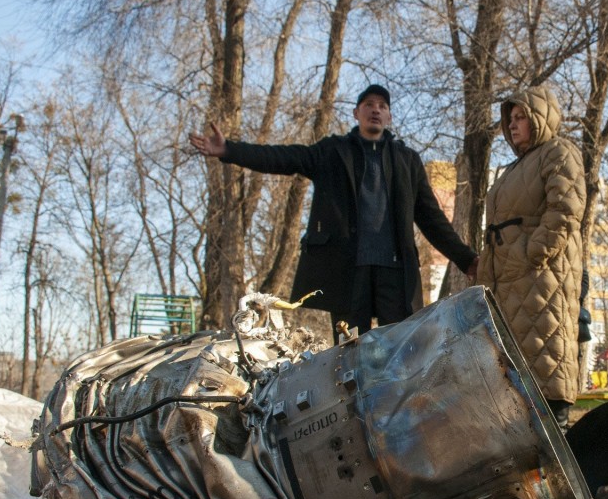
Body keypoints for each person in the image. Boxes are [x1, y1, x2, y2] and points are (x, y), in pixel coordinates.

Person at [189, 83, 478, 334]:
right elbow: (283, 157)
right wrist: (229, 151)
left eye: (382, 106)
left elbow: (431, 218)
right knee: (349, 352)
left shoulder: (407, 160)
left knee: (400, 353)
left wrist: (466, 259)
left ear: (389, 116)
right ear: (356, 113)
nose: (375, 110)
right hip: (349, 273)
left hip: (395, 273)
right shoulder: (333, 152)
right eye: (368, 105)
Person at [477, 86, 586, 429]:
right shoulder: (513, 168)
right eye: (510, 118)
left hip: (541, 286)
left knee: (546, 381)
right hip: (508, 289)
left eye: (521, 116)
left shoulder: (559, 151)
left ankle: (564, 479)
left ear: (540, 118)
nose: (512, 124)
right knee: (514, 398)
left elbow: (566, 211)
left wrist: (529, 255)